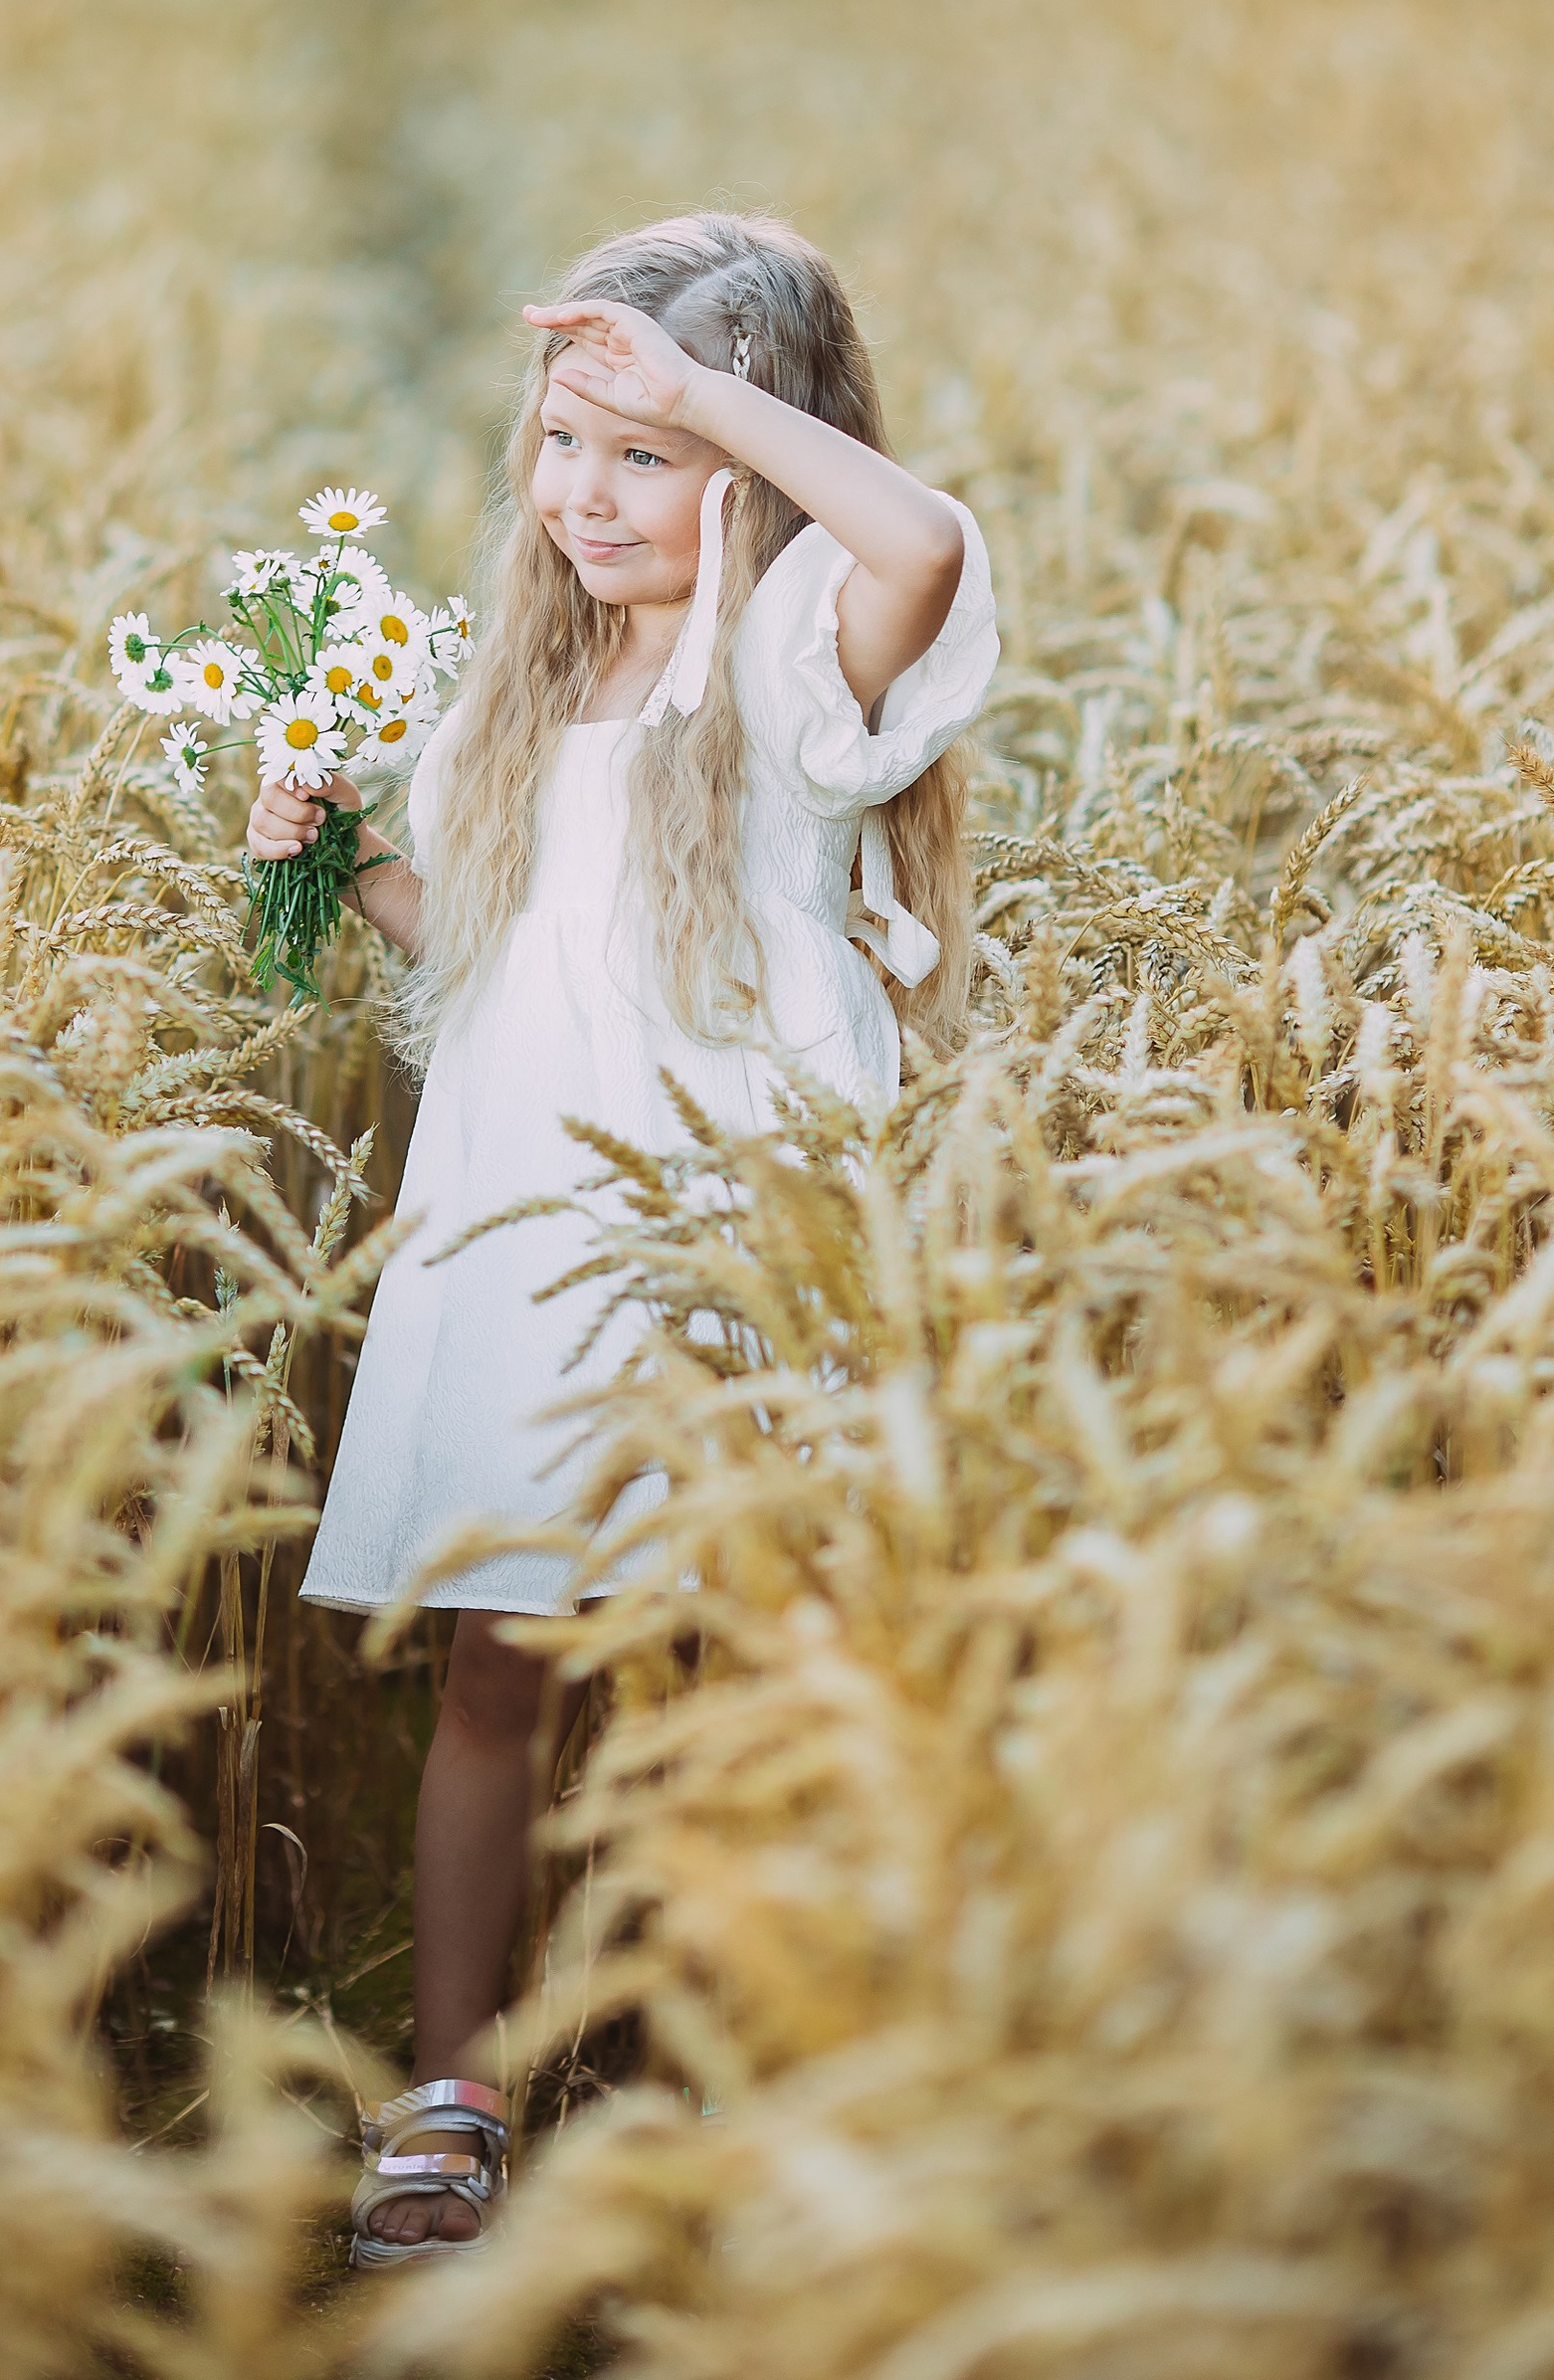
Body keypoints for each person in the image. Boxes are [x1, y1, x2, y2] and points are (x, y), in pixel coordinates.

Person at [249, 211, 998, 2265]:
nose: (587, 488)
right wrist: (350, 860)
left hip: (731, 1235)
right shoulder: (537, 678)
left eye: (645, 451)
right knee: (502, 1664)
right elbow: (501, 961)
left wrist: (718, 408)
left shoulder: (788, 663)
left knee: (752, 1647)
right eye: (568, 439)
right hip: (524, 1218)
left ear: (755, 462)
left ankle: (762, 2061)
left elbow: (920, 542)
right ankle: (456, 2083)